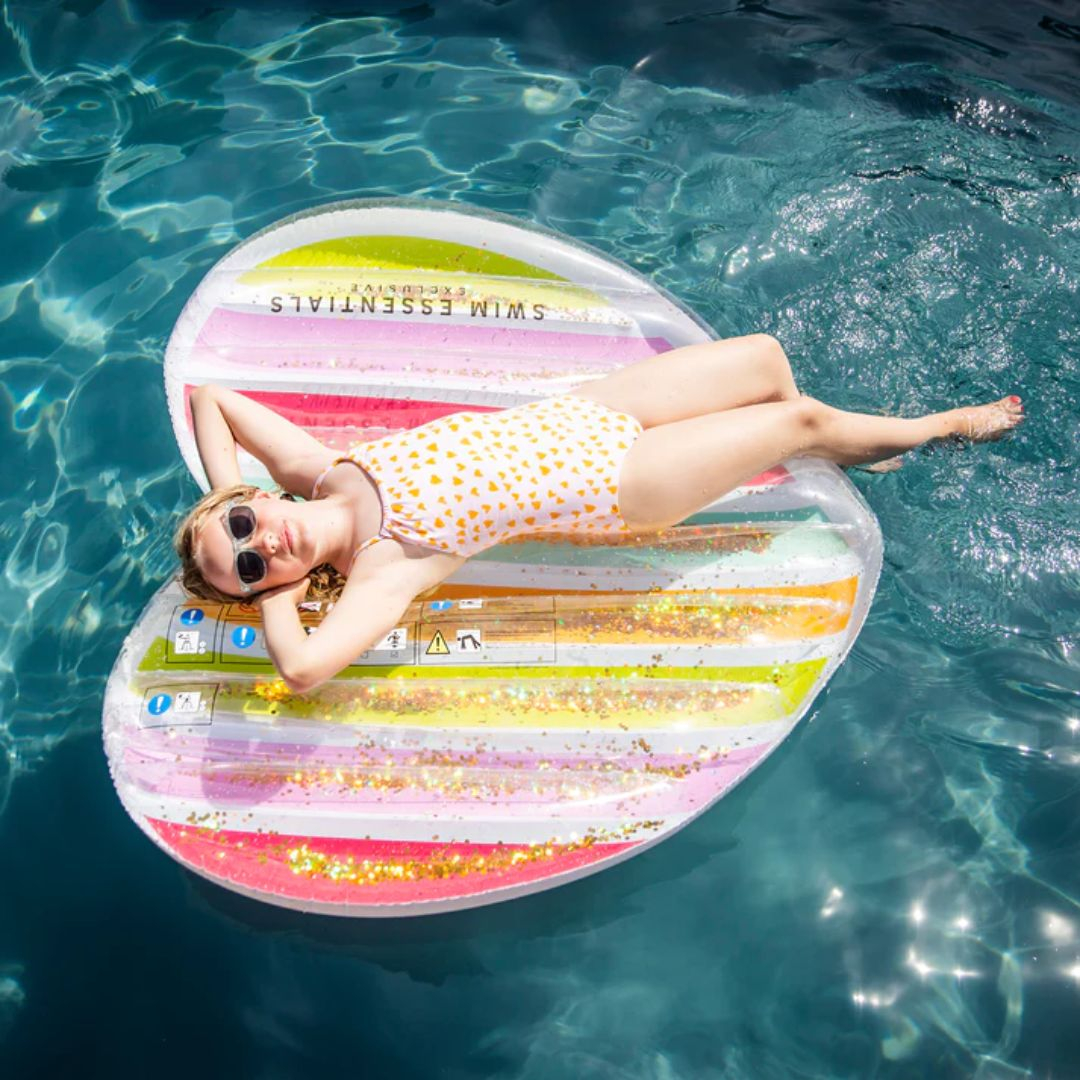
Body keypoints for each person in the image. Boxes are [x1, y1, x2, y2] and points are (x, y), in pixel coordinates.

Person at [174, 333, 1023, 693]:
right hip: (623, 482)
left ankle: (824, 450)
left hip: (589, 414)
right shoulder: (382, 568)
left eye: (242, 528)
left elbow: (212, 399)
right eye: (248, 566)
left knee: (767, 362)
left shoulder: (318, 471)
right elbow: (303, 670)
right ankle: (938, 428)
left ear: (253, 498)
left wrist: (223, 500)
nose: (260, 544)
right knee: (797, 419)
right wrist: (273, 593)